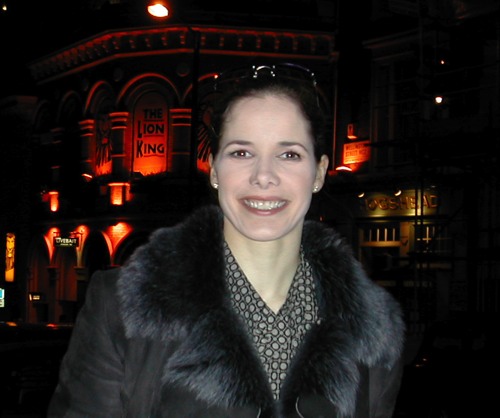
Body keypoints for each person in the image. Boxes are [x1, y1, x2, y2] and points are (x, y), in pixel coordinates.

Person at [48, 63, 405, 418]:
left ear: (319, 172)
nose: (263, 176)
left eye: (289, 154)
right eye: (241, 153)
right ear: (215, 169)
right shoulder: (122, 306)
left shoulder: (374, 325)